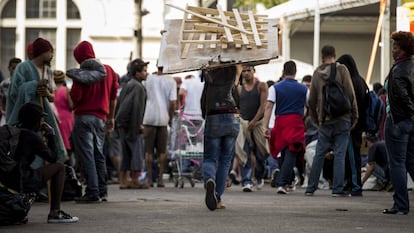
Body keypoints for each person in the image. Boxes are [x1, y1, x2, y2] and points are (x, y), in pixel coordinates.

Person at [0, 102, 78, 223]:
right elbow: (53, 158)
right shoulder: (31, 137)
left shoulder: (13, 131)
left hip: (6, 178)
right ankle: (55, 212)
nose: (42, 122)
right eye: (41, 119)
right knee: (60, 167)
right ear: (35, 120)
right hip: (20, 179)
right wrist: (51, 135)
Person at [68, 41, 119, 203]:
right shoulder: (109, 71)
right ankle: (102, 191)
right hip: (101, 119)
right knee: (99, 155)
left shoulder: (82, 73)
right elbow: (113, 97)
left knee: (87, 155)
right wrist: (111, 117)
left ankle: (92, 191)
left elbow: (75, 98)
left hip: (83, 118)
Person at [305, 45, 358, 197]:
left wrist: (317, 120)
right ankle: (337, 189)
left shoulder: (316, 73)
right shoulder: (342, 70)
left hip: (325, 120)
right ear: (335, 55)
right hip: (342, 118)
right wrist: (354, 114)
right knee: (340, 154)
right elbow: (350, 93)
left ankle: (311, 188)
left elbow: (312, 101)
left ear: (322, 56)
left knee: (319, 154)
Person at [6, 37, 67, 166]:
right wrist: (34, 85)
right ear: (42, 52)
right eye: (50, 51)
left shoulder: (48, 71)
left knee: (47, 147)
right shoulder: (23, 68)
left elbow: (52, 97)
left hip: (43, 115)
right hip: (27, 119)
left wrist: (47, 93)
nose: (52, 55)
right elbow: (14, 93)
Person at [201, 63, 242, 211]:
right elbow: (238, 97)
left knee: (210, 158)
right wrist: (238, 74)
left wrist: (205, 114)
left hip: (213, 116)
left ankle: (210, 179)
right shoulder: (234, 72)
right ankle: (217, 197)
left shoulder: (209, 74)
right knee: (225, 160)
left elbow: (203, 99)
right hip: (232, 117)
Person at [263, 61, 307, 194]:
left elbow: (269, 106)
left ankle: (286, 181)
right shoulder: (304, 89)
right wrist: (303, 116)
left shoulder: (275, 88)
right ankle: (283, 183)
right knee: (291, 152)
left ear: (283, 71)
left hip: (280, 123)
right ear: (295, 72)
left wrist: (265, 126)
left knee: (282, 151)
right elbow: (310, 105)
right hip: (296, 123)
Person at [383, 31, 414, 215]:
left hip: (398, 121)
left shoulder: (398, 69)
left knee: (397, 163)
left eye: (395, 46)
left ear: (401, 48)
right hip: (410, 122)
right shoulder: (411, 66)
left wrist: (410, 112)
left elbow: (403, 96)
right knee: (411, 161)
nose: (392, 50)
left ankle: (401, 204)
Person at [337, 54, 370, 196]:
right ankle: (351, 183)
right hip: (359, 123)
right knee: (351, 154)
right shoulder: (361, 81)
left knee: (351, 155)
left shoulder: (351, 82)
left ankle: (356, 186)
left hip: (352, 124)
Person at [115, 58, 149, 189]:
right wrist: (137, 126)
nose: (147, 73)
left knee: (126, 153)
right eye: (144, 71)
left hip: (122, 123)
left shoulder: (128, 84)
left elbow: (120, 105)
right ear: (137, 73)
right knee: (136, 153)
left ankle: (123, 180)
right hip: (131, 124)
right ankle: (135, 179)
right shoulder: (138, 87)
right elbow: (136, 108)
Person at [235, 65, 269, 192]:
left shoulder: (261, 86)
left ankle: (259, 177)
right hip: (244, 123)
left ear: (254, 71)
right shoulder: (239, 88)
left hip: (258, 123)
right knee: (244, 152)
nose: (246, 73)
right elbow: (237, 106)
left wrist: (254, 121)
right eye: (244, 71)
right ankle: (246, 181)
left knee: (261, 153)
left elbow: (263, 106)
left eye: (249, 70)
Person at [143, 66, 177, 188]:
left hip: (149, 117)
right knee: (162, 151)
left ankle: (150, 179)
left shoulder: (149, 79)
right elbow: (173, 102)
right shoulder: (171, 81)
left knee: (148, 151)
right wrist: (170, 117)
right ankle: (161, 179)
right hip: (163, 118)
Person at [52, 70, 74, 165]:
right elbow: (71, 105)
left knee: (58, 143)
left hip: (55, 118)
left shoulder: (51, 91)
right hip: (67, 120)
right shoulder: (67, 90)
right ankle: (68, 169)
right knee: (68, 145)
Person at [0, 57, 22, 125]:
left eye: (18, 68)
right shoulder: (4, 84)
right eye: (13, 68)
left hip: (20, 115)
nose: (15, 71)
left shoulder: (24, 84)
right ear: (9, 68)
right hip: (6, 114)